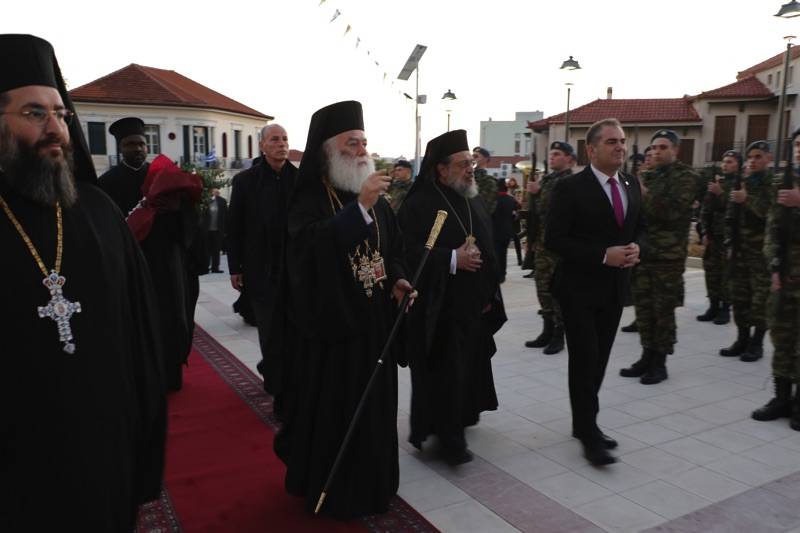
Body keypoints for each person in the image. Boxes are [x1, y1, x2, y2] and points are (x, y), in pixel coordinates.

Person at [0, 34, 166, 531]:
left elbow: (142, 339)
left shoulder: (98, 212)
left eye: (61, 114)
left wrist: (144, 448)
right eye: (34, 114)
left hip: (105, 454)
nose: (55, 129)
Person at [275, 101, 414, 519]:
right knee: (339, 415)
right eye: (351, 143)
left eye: (364, 143)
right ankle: (338, 493)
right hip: (333, 335)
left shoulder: (378, 201)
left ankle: (376, 485)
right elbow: (307, 254)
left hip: (374, 326)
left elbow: (394, 251)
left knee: (376, 413)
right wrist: (359, 211)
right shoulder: (311, 200)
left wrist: (399, 281)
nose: (361, 150)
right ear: (328, 152)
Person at [398, 129, 506, 465]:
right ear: (441, 169)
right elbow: (406, 252)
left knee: (469, 367)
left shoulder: (471, 196)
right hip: (438, 309)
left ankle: (462, 416)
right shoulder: (418, 204)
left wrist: (489, 290)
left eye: (471, 162)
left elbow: (488, 244)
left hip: (472, 305)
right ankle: (448, 440)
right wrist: (451, 258)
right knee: (444, 372)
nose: (470, 169)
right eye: (462, 164)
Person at [545, 118, 643, 466]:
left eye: (622, 140)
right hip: (578, 289)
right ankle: (589, 432)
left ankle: (582, 421)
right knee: (584, 360)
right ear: (592, 149)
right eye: (612, 142)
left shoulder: (631, 183)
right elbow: (553, 239)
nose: (620, 147)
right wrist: (603, 255)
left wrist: (635, 248)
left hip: (614, 290)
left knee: (599, 360)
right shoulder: (570, 188)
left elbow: (638, 227)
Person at [99, 117, 199, 391]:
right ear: (121, 148)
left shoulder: (162, 177)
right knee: (138, 319)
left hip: (165, 260)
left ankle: (170, 375)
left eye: (142, 144)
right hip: (131, 262)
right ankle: (141, 377)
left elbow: (186, 220)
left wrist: (177, 210)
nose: (139, 149)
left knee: (172, 317)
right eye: (132, 144)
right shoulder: (106, 183)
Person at [619, 130, 696, 385]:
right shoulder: (647, 176)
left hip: (667, 258)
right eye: (653, 148)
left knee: (662, 312)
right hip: (643, 253)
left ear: (675, 150)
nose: (656, 152)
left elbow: (673, 212)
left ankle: (660, 362)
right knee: (643, 309)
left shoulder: (686, 177)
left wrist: (644, 194)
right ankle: (646, 355)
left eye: (663, 147)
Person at [226, 123, 296, 401]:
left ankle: (285, 375)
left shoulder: (300, 179)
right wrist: (235, 267)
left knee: (291, 329)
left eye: (285, 139)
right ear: (263, 146)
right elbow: (234, 227)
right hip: (260, 270)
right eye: (275, 140)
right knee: (269, 330)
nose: (281, 144)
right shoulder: (245, 181)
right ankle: (276, 382)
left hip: (294, 271)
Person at [752, 128, 800, 431]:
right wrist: (773, 266)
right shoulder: (784, 182)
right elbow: (771, 229)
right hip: (784, 277)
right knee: (781, 338)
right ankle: (781, 397)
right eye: (797, 144)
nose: (799, 149)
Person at [720, 141, 774, 362]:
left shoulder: (774, 182)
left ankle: (757, 343)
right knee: (739, 296)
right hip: (740, 250)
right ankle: (742, 339)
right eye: (750, 157)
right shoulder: (742, 181)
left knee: (760, 299)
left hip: (761, 253)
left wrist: (747, 199)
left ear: (768, 158)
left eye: (758, 156)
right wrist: (730, 243)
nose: (753, 160)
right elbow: (730, 215)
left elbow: (771, 213)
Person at [525, 141, 575, 355]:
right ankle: (547, 330)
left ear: (569, 159)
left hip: (561, 247)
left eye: (557, 154)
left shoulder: (573, 182)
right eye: (551, 154)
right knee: (542, 288)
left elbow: (556, 209)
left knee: (558, 292)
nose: (552, 157)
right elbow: (535, 212)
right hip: (544, 244)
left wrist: (537, 193)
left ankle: (559, 335)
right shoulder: (547, 180)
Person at [697, 151, 741, 324]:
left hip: (728, 237)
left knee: (726, 274)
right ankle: (713, 305)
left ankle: (725, 308)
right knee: (711, 271)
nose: (725, 165)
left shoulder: (740, 185)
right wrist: (704, 232)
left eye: (729, 162)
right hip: (713, 236)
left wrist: (721, 193)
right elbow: (705, 209)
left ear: (738, 164)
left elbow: (734, 210)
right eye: (724, 161)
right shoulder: (718, 182)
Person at [621, 145, 652, 334]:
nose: (642, 164)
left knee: (648, 286)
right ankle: (640, 318)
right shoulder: (630, 181)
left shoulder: (652, 181)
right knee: (638, 284)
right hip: (635, 238)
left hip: (651, 240)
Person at [492, 178, 520, 283]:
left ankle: (498, 274)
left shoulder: (495, 200)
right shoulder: (511, 199)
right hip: (507, 230)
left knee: (496, 254)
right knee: (503, 253)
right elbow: (515, 214)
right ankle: (503, 274)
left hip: (496, 231)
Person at [203, 187, 227, 273]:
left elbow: (225, 215)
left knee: (216, 250)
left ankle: (215, 267)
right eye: (214, 192)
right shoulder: (207, 201)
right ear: (211, 192)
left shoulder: (222, 201)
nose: (216, 193)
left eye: (218, 192)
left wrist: (225, 230)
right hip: (207, 229)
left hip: (218, 229)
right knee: (207, 249)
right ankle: (205, 266)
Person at [473, 146, 497, 214]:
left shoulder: (490, 181)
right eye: (472, 156)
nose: (473, 159)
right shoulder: (469, 175)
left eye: (476, 156)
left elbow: (487, 207)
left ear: (485, 159)